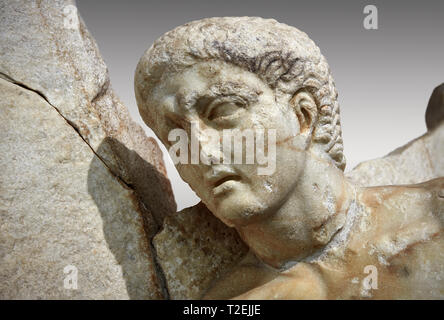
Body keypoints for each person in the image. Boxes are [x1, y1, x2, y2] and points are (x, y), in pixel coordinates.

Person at [135, 17, 444, 299]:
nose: (201, 152)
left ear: (303, 115)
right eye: (176, 136)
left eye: (223, 112)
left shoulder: (435, 217)